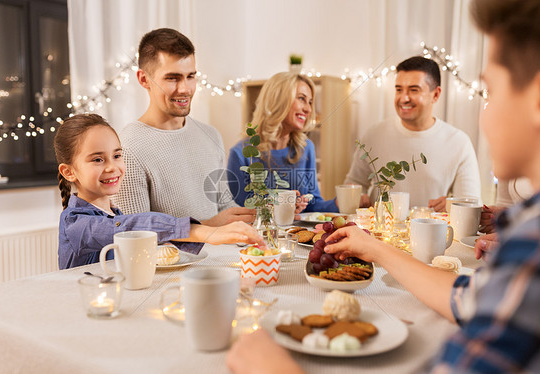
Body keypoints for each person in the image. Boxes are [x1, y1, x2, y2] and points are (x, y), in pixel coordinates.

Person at [227, 0, 540, 372]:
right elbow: (468, 297)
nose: (482, 115)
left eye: (489, 94)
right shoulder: (249, 150)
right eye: (398, 88)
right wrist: (373, 243)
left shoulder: (526, 244)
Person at [54, 114, 263, 269]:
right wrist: (206, 232)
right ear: (69, 172)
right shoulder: (76, 224)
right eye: (98, 159)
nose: (112, 167)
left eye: (117, 156)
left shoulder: (114, 213)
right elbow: (130, 226)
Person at [112, 28, 255, 226]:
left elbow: (223, 208)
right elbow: (136, 240)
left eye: (190, 76)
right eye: (173, 78)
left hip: (227, 256)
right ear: (144, 79)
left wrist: (263, 213)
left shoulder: (210, 135)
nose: (185, 89)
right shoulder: (128, 149)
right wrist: (211, 226)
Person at [344, 56, 481, 212]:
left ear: (435, 94)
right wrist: (358, 196)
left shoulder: (459, 142)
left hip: (433, 235)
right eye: (399, 89)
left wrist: (452, 205)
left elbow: (471, 203)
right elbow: (354, 184)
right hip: (380, 234)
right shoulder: (373, 135)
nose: (404, 98)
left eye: (414, 90)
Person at [227, 72, 338, 213]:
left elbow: (313, 205)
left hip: (298, 234)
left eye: (310, 102)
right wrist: (282, 208)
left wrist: (337, 203)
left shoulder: (305, 147)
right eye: (301, 99)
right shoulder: (241, 153)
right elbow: (241, 212)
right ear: (278, 100)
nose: (309, 109)